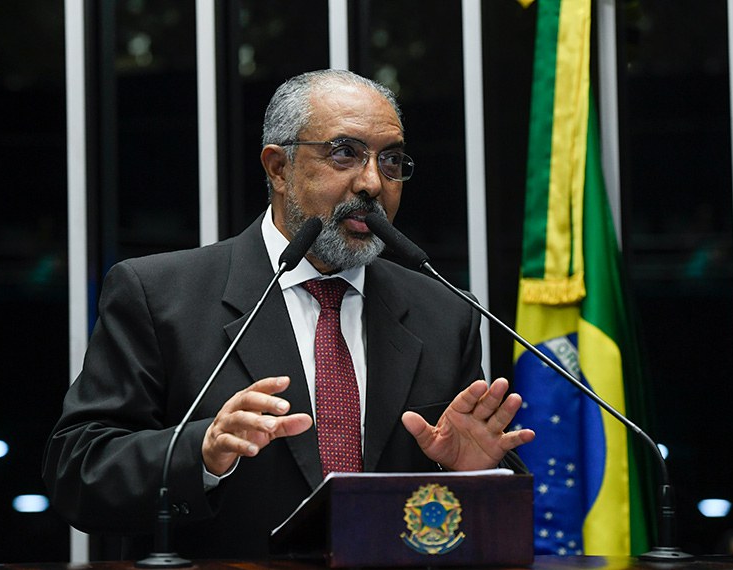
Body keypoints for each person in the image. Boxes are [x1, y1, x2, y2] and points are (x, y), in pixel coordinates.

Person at [42, 69, 536, 560]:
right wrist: (202, 451)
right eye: (345, 152)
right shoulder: (160, 295)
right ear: (279, 168)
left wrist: (472, 477)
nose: (371, 183)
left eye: (390, 161)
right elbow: (78, 473)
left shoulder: (444, 312)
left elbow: (485, 523)